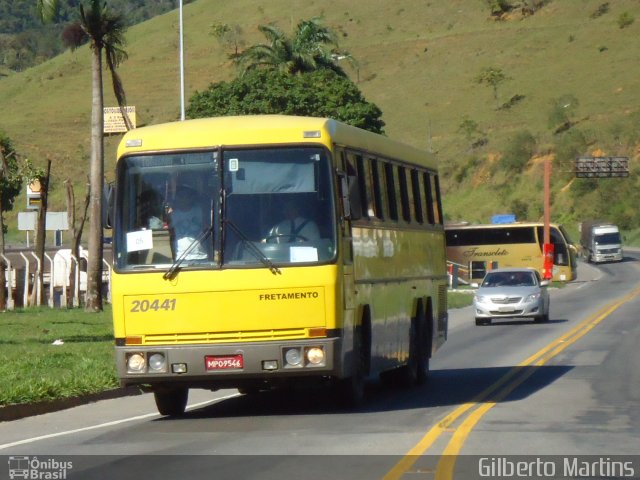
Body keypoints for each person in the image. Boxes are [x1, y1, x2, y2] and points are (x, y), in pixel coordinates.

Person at [168, 185, 209, 260]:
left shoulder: (199, 211)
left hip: (200, 255)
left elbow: (207, 229)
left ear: (191, 198)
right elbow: (170, 234)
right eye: (181, 196)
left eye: (186, 196)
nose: (183, 199)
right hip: (180, 257)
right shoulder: (173, 215)